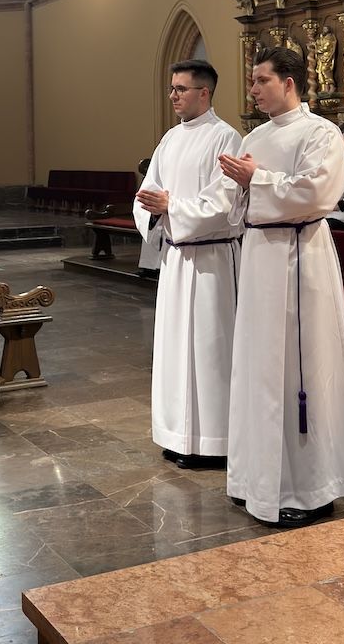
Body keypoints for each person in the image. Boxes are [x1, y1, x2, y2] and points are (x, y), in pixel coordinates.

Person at [178, 48, 344, 527]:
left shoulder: (320, 133)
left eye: (262, 80)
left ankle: (308, 488)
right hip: (259, 259)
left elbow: (317, 193)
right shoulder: (255, 137)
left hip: (299, 258)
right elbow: (228, 199)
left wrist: (256, 179)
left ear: (289, 82)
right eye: (252, 81)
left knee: (301, 370)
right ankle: (256, 481)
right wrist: (233, 189)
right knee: (258, 370)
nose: (253, 90)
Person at [134, 59, 242, 470]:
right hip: (177, 260)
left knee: (212, 349)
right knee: (175, 349)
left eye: (181, 89)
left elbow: (225, 203)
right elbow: (148, 192)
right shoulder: (170, 139)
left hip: (213, 261)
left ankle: (215, 441)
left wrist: (171, 207)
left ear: (204, 92)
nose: (173, 96)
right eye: (172, 88)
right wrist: (155, 209)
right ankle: (178, 435)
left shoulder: (225, 138)